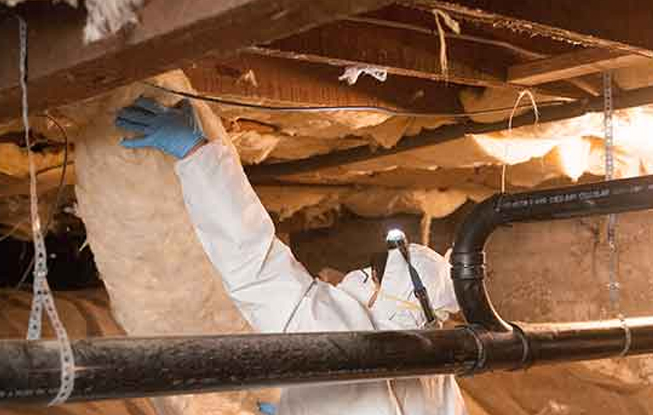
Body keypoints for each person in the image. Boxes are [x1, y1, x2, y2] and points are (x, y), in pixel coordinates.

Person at [116, 96, 467, 415]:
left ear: (401, 296)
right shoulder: (437, 366)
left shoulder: (342, 330)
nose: (364, 271)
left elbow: (254, 260)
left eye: (377, 270)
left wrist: (196, 154)